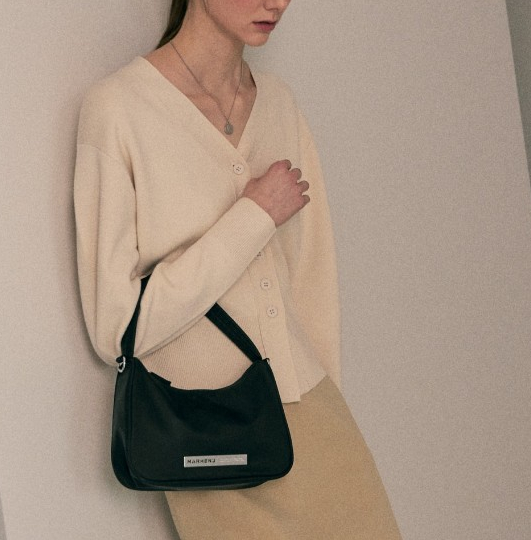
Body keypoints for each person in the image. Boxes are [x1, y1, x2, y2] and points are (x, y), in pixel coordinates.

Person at [74, 0, 402, 538]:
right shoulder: (118, 110)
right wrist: (253, 216)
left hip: (315, 421)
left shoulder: (279, 104)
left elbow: (312, 281)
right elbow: (117, 328)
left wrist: (325, 405)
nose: (277, 2)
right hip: (207, 438)